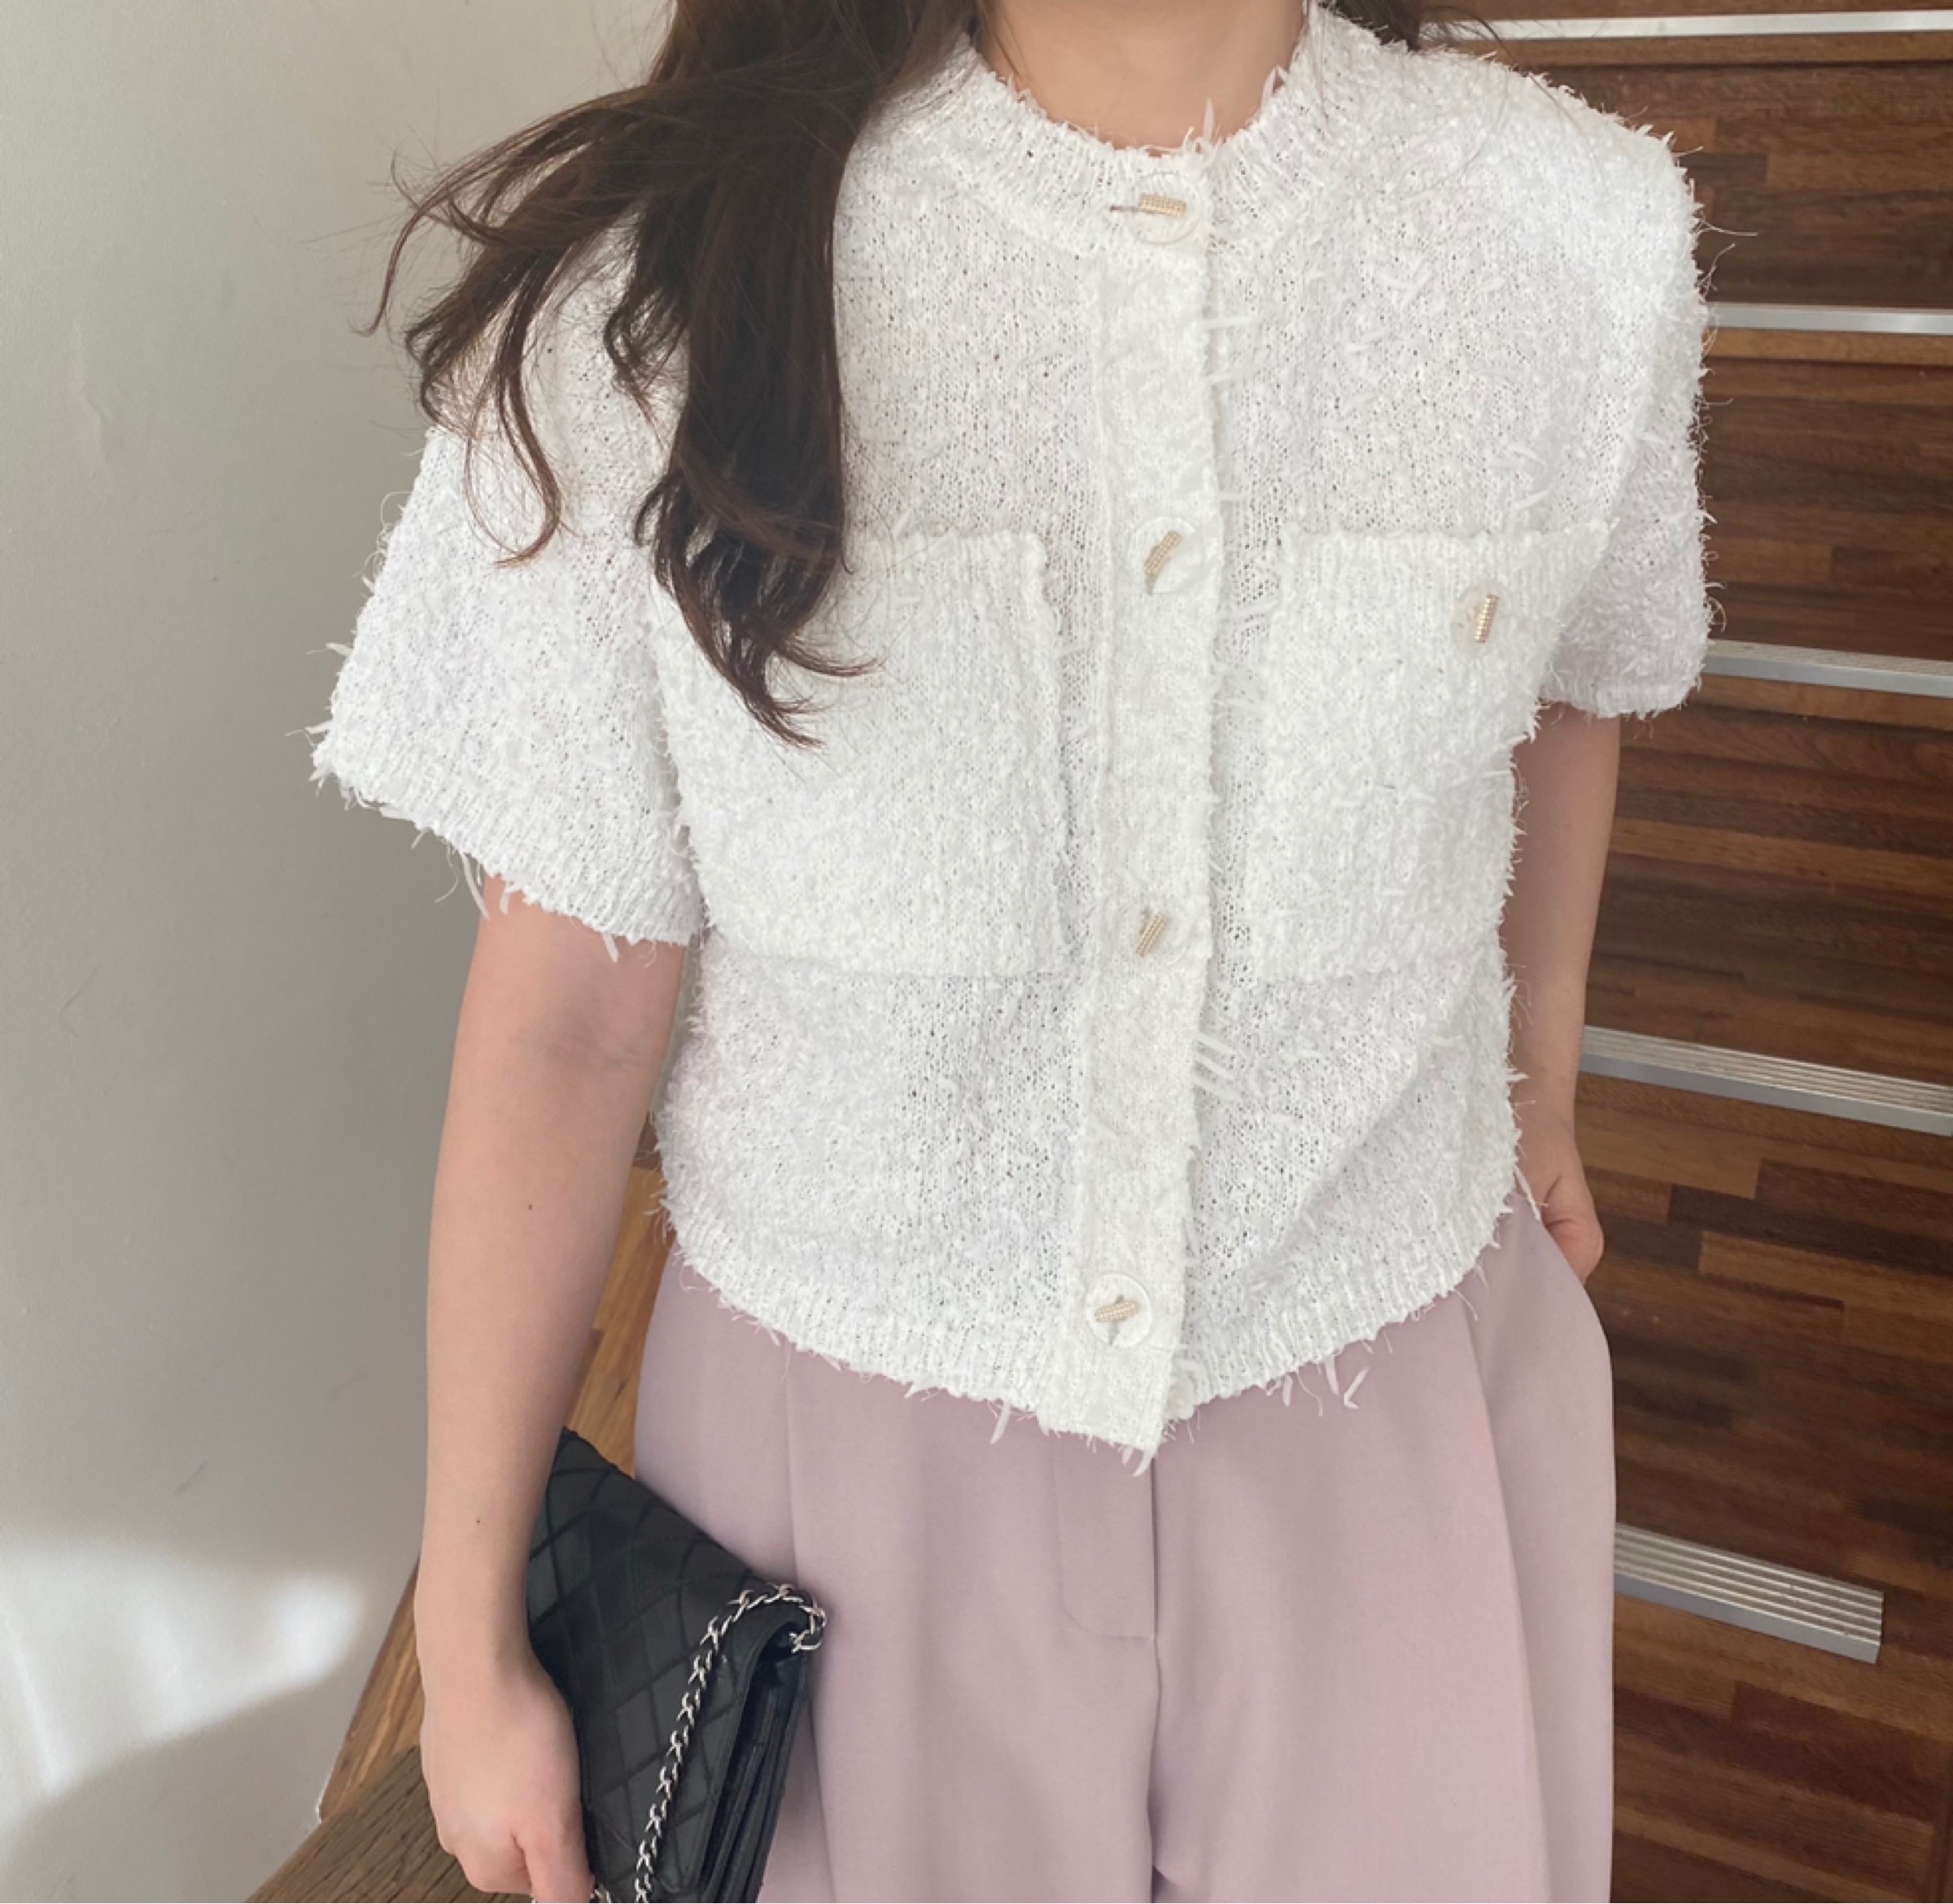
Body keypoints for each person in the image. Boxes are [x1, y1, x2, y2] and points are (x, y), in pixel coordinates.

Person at [309, 0, 1713, 1897]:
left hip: (1398, 1414)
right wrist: (469, 1630)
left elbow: (1573, 674)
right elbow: (566, 1015)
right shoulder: (643, 297)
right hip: (837, 1490)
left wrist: (1540, 1080)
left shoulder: (1572, 231)